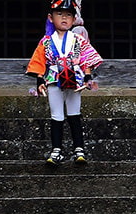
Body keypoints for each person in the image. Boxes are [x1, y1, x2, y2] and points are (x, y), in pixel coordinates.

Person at [26, 0, 102, 165]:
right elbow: (40, 61)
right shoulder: (46, 41)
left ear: (74, 19)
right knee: (56, 115)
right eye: (59, 14)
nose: (64, 18)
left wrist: (88, 77)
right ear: (51, 17)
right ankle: (56, 151)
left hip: (74, 80)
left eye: (68, 15)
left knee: (75, 114)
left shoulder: (78, 39)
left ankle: (79, 149)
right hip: (54, 79)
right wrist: (40, 80)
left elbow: (85, 60)